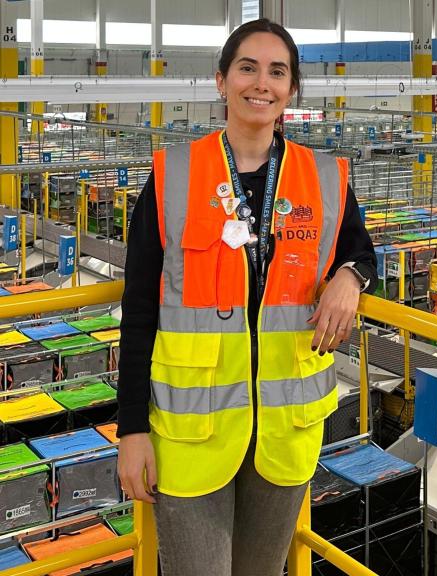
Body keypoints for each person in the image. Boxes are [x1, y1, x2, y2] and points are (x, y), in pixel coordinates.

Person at [115, 19, 377, 576]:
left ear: (291, 88)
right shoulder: (173, 176)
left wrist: (351, 278)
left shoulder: (323, 177)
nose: (262, 83)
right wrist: (131, 430)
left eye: (277, 72)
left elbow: (360, 249)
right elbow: (138, 311)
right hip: (190, 435)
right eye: (247, 68)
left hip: (283, 436)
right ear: (222, 80)